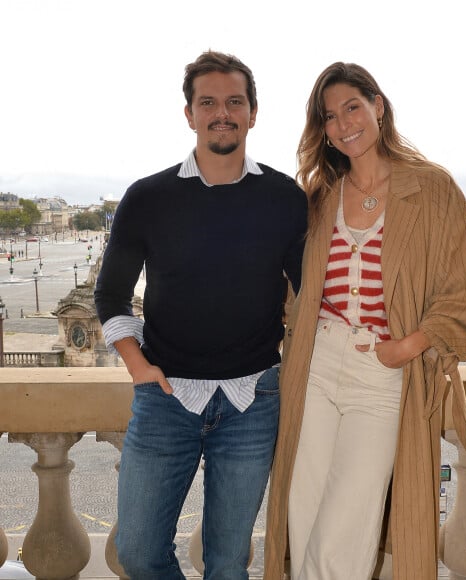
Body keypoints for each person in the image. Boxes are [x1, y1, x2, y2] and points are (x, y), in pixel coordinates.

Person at [263, 62, 466, 580]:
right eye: (329, 116)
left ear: (378, 106)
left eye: (352, 108)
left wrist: (406, 347)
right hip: (316, 368)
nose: (343, 125)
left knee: (345, 528)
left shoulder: (433, 189)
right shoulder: (320, 197)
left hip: (382, 374)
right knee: (303, 513)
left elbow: (465, 296)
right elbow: (289, 288)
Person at [94, 50, 307, 580]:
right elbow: (110, 294)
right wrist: (137, 366)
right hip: (166, 400)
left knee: (229, 563)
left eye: (235, 101)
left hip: (253, 401)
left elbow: (312, 293)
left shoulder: (286, 198)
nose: (222, 112)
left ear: (253, 113)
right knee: (140, 554)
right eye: (207, 102)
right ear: (189, 114)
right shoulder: (147, 197)